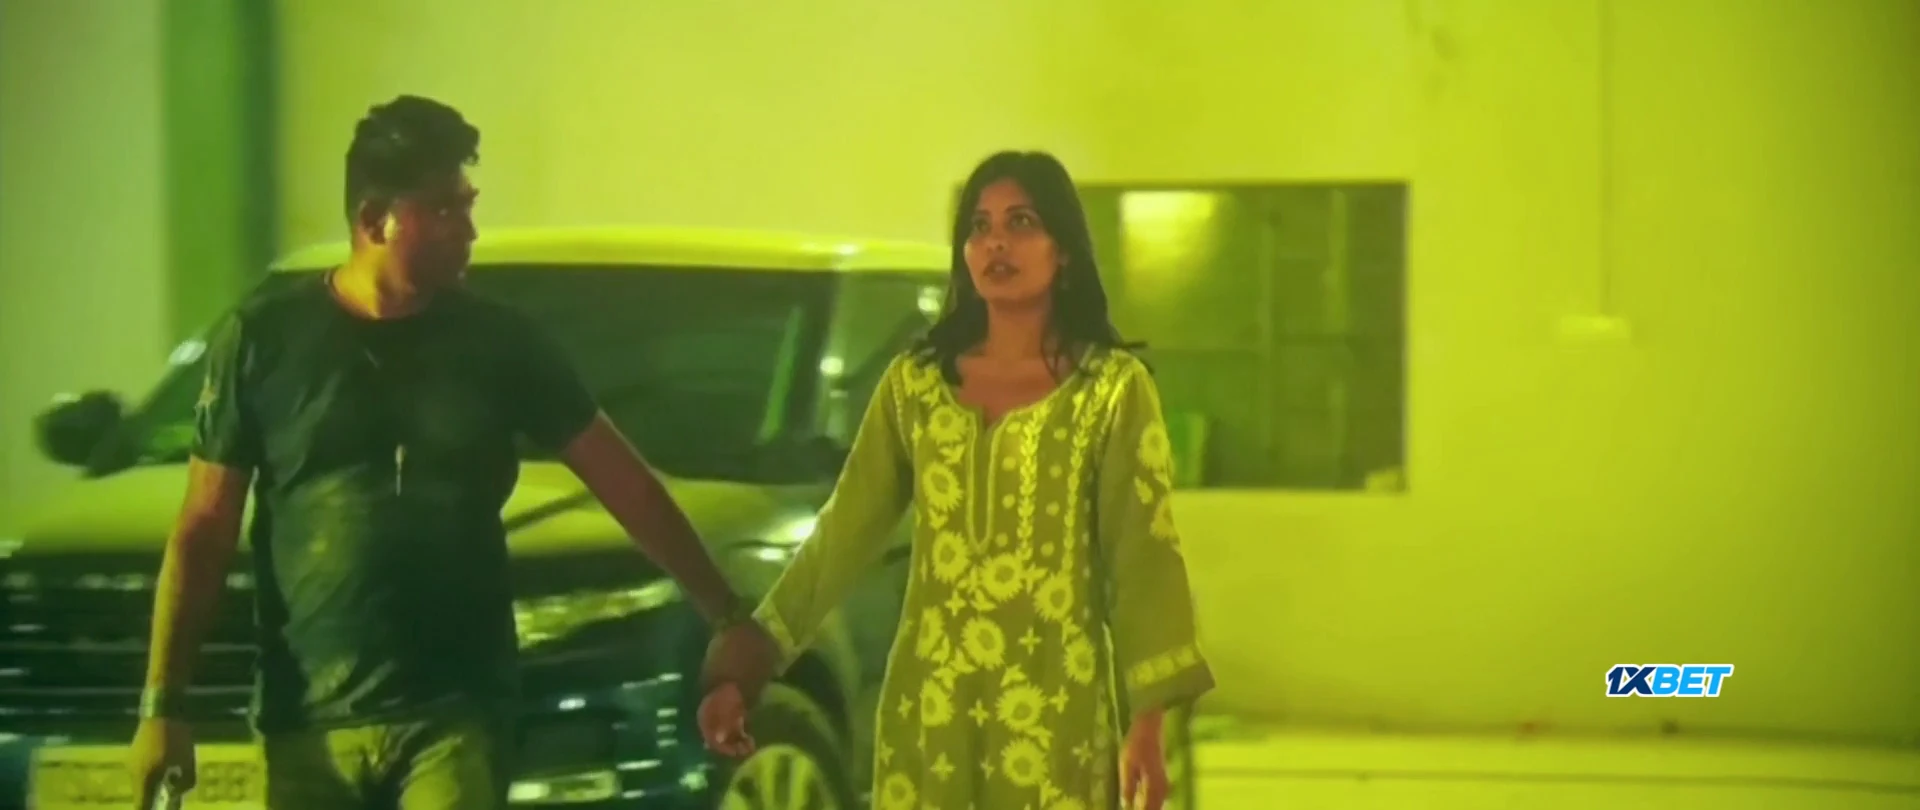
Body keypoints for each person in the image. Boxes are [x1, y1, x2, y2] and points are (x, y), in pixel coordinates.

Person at [127, 95, 769, 810]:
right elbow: (204, 529)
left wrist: (727, 613)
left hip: (456, 712)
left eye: (467, 206)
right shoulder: (263, 341)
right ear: (374, 220)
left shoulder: (501, 343)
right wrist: (162, 708)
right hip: (307, 724)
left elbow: (626, 485)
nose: (468, 230)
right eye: (442, 210)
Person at [697, 151, 1215, 810]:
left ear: (1063, 250)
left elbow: (1144, 557)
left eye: (1021, 222)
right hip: (929, 710)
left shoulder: (1111, 392)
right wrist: (751, 661)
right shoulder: (915, 387)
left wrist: (1148, 724)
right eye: (979, 226)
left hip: (1055, 710)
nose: (996, 242)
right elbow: (842, 534)